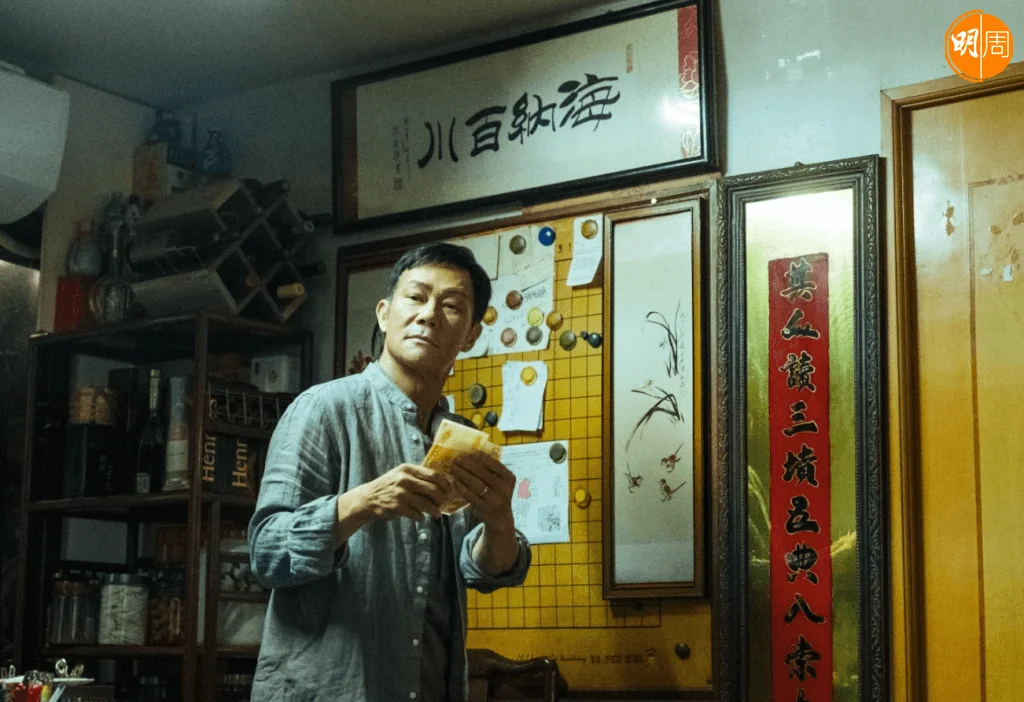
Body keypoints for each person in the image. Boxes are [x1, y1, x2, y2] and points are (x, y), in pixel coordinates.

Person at [248, 243, 532, 702]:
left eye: (452, 305)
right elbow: (266, 554)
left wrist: (500, 521)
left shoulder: (461, 439)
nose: (429, 315)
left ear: (471, 336)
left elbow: (482, 571)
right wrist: (362, 503)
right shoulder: (323, 409)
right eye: (416, 297)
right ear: (384, 315)